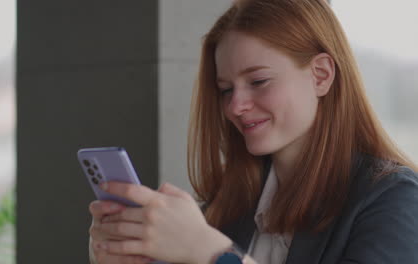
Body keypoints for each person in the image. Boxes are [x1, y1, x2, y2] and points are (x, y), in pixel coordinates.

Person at [88, 0, 418, 263]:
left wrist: (215, 255)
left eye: (258, 81)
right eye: (226, 90)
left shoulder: (394, 199)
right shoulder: (228, 207)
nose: (235, 106)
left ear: (320, 75)